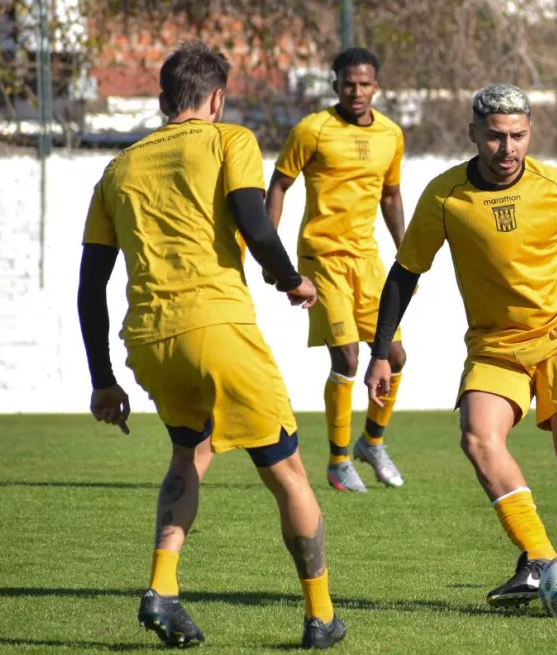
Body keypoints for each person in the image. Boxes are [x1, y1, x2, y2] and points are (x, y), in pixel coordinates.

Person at [77, 42, 346, 649]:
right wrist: (292, 280)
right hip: (217, 329)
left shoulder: (117, 169)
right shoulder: (229, 140)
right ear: (217, 99)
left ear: (162, 99)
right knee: (288, 472)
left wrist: (102, 380)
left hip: (150, 340)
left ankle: (163, 590)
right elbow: (255, 222)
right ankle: (321, 616)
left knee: (188, 455)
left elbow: (90, 287)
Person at [363, 83, 557, 610]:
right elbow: (405, 272)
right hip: (494, 346)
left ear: (530, 133)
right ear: (473, 134)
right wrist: (379, 350)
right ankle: (541, 560)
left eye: (518, 136)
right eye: (496, 137)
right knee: (478, 438)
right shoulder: (444, 196)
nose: (507, 149)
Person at [265, 47, 407, 493]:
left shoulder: (391, 134)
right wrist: (270, 252)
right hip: (322, 258)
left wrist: (408, 256)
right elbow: (279, 184)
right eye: (349, 84)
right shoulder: (313, 130)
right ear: (335, 85)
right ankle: (339, 460)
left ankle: (372, 443)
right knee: (347, 356)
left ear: (376, 86)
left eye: (364, 84)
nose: (356, 92)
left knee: (395, 357)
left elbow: (390, 195)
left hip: (367, 260)